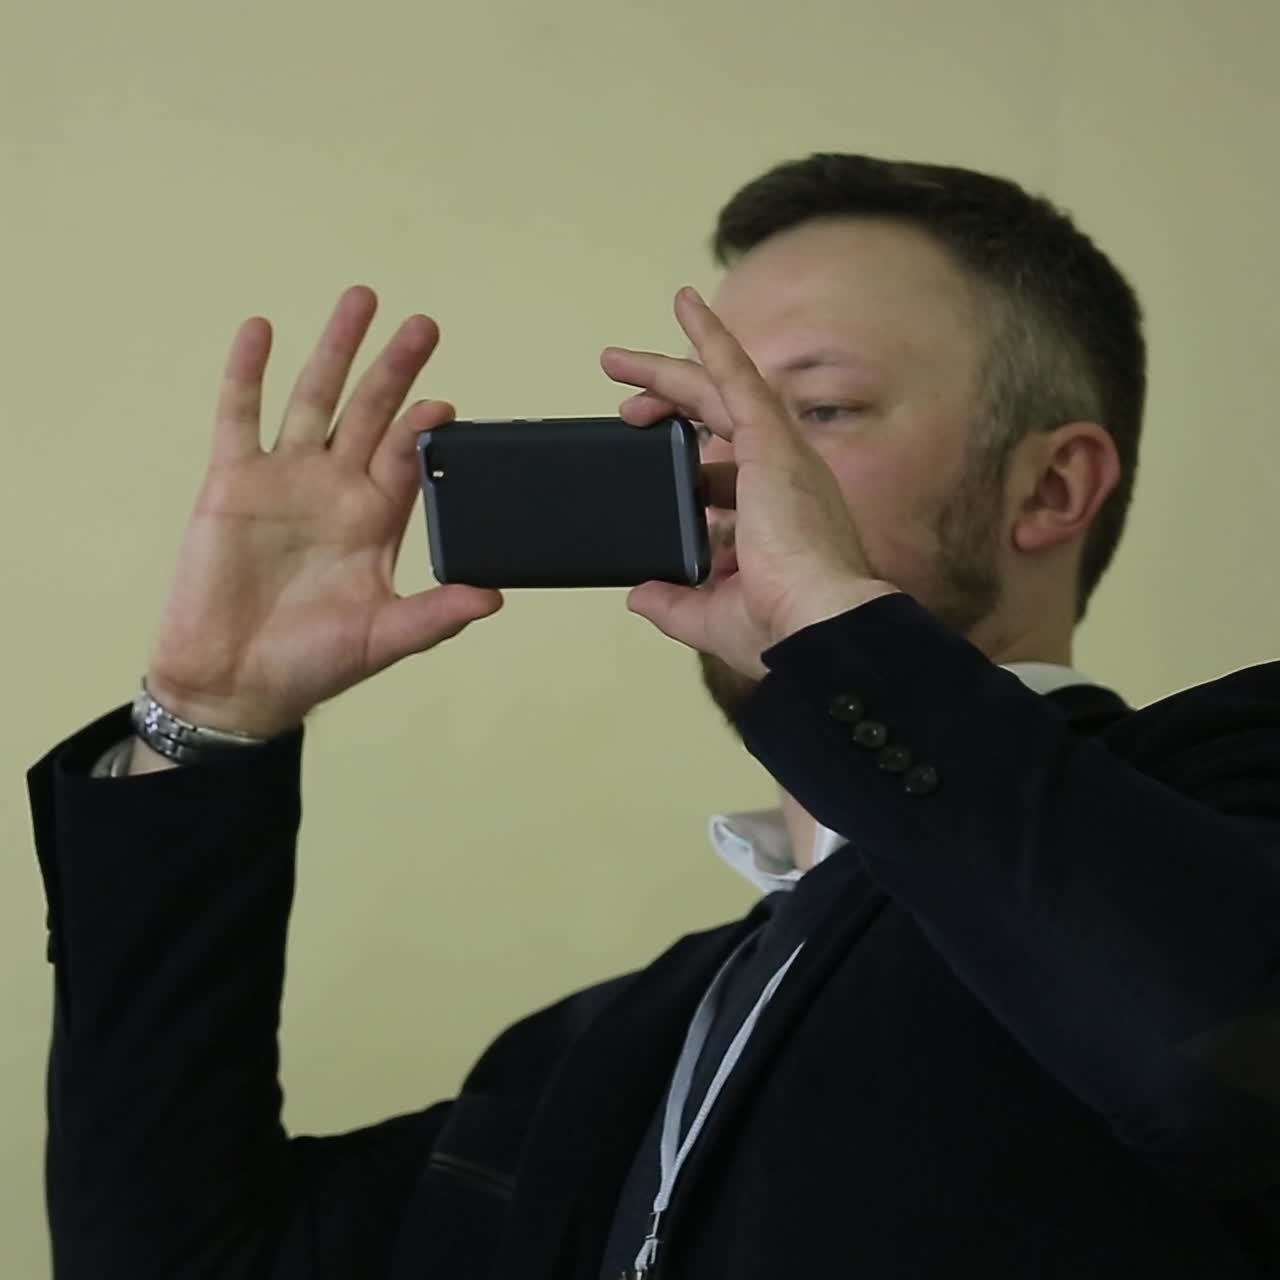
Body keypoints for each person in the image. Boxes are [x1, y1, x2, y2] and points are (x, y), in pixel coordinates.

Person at [26, 153, 1280, 1279]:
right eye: (700, 417)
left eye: (816, 410)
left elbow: (1222, 1062)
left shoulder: (1224, 790)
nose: (724, 467)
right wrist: (203, 720)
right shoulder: (615, 1051)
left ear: (1049, 484)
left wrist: (836, 634)